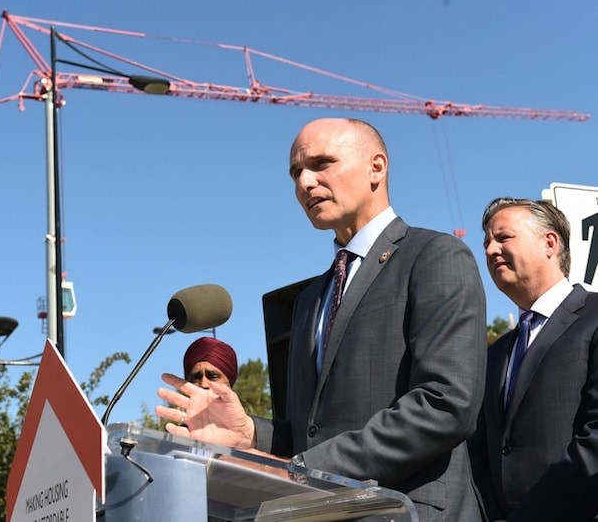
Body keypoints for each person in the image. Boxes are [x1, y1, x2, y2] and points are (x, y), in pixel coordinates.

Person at [157, 117, 488, 522]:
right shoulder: (310, 299)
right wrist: (250, 434)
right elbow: (310, 433)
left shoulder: (435, 257)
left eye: (321, 164)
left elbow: (445, 404)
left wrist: (303, 472)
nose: (304, 184)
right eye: (296, 173)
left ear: (376, 167)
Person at [468, 197, 598, 521]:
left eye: (503, 237)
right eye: (485, 243)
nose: (489, 250)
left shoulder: (594, 316)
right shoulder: (496, 354)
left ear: (550, 243)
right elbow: (479, 453)